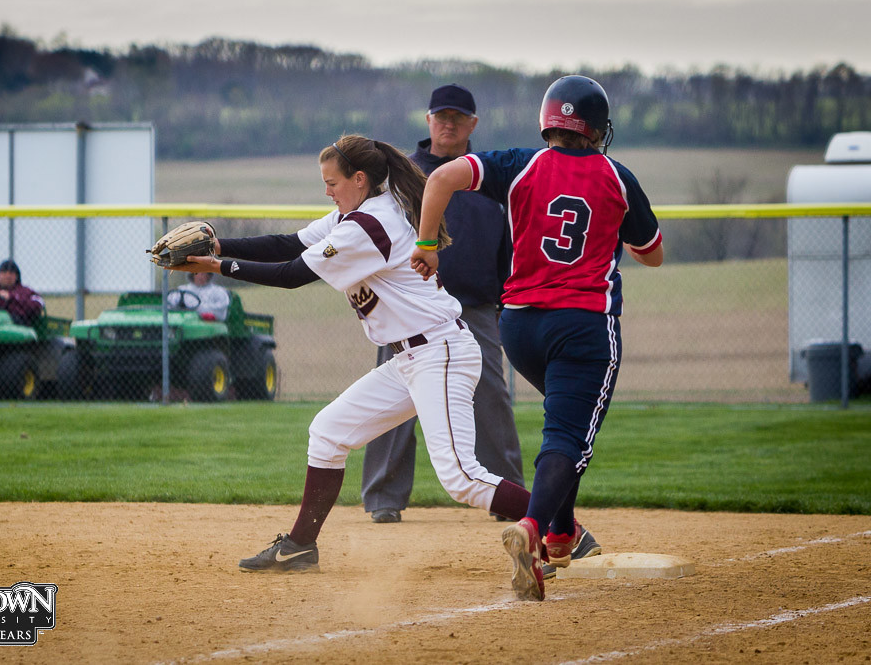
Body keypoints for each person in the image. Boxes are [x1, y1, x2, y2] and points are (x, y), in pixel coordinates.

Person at [164, 134, 533, 573]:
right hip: (412, 358)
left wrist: (214, 267)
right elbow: (288, 244)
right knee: (328, 432)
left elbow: (291, 274)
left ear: (359, 179)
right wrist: (222, 246)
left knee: (460, 477)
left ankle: (563, 525)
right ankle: (299, 547)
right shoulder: (353, 214)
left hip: (440, 352)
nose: (327, 190)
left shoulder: (368, 226)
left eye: (332, 182)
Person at [411, 76, 664, 601]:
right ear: (597, 128)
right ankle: (532, 527)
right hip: (584, 325)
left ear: (547, 120)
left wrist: (429, 245)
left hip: (519, 325)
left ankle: (560, 530)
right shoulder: (617, 176)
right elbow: (652, 252)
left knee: (562, 424)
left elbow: (437, 183)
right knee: (568, 439)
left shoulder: (518, 163)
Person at [361, 83, 525, 525]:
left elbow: (511, 239)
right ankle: (383, 498)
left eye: (458, 117)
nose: (448, 123)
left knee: (492, 397)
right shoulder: (402, 176)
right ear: (428, 120)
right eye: (441, 116)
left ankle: (508, 494)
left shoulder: (488, 175)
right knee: (395, 399)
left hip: (475, 305)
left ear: (473, 124)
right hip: (407, 306)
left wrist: (505, 295)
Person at [167, 271, 232, 321]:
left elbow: (221, 312)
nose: (200, 276)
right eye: (197, 273)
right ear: (192, 275)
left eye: (203, 274)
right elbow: (170, 305)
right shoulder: (182, 290)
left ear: (209, 276)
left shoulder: (218, 291)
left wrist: (198, 310)